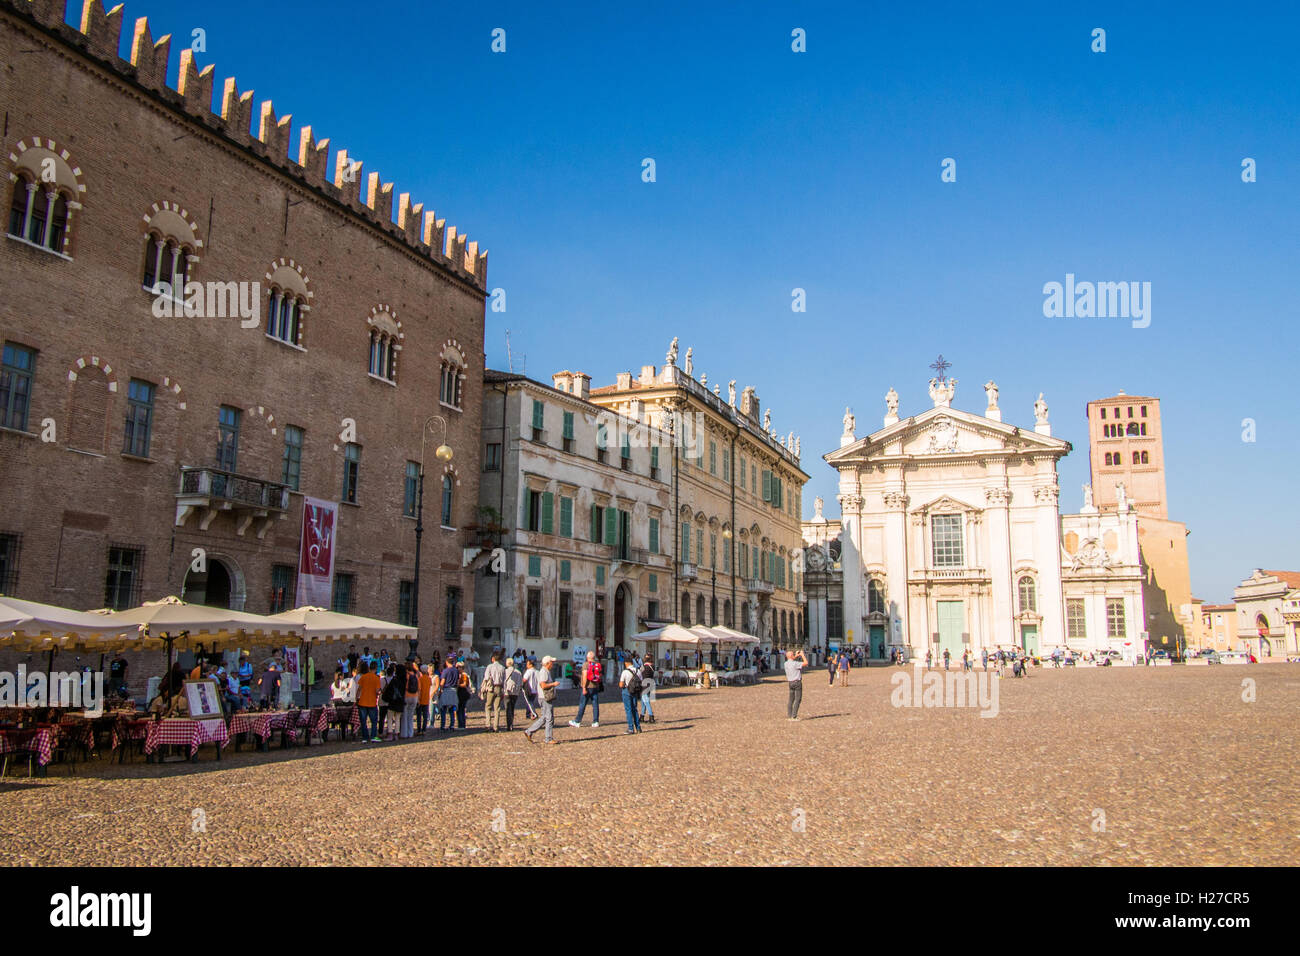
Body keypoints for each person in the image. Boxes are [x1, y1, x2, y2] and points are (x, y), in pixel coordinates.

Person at [523, 655, 558, 744]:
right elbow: (543, 685)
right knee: (549, 718)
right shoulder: (543, 672)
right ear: (547, 664)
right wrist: (553, 684)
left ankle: (529, 731)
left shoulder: (546, 671)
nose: (552, 664)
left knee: (544, 718)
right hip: (545, 697)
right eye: (551, 663)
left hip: (544, 697)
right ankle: (548, 738)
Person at [569, 651, 603, 729]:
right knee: (595, 704)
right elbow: (600, 676)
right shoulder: (598, 665)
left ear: (588, 658)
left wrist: (584, 687)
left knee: (582, 704)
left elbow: (584, 676)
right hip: (595, 687)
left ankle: (577, 721)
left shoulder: (586, 665)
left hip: (587, 687)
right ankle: (596, 721)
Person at [354, 661, 381, 742]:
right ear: (376, 668)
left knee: (363, 721)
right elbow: (377, 691)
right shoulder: (376, 678)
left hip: (363, 701)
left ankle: (365, 737)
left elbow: (359, 689)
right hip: (372, 702)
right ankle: (373, 736)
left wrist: (356, 698)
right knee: (374, 721)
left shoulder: (364, 677)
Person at [480, 652, 506, 732]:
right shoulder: (502, 667)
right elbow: (504, 680)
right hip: (499, 687)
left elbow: (486, 677)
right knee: (497, 708)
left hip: (491, 688)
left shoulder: (490, 667)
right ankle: (496, 726)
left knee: (488, 706)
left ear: (493, 659)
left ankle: (488, 725)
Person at [619, 655, 643, 734]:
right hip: (635, 691)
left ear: (626, 663)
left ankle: (630, 728)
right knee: (634, 709)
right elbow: (641, 681)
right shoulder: (638, 671)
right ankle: (638, 727)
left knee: (628, 710)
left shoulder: (625, 672)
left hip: (626, 691)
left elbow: (621, 684)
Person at [437, 658, 459, 731]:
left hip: (446, 690)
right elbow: (458, 682)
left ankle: (443, 726)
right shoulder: (456, 670)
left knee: (443, 709)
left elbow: (442, 682)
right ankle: (452, 725)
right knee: (452, 709)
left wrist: (440, 690)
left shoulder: (445, 671)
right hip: (454, 690)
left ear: (447, 662)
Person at [784, 649, 807, 720]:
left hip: (790, 682)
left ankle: (789, 715)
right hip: (797, 682)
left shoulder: (786, 663)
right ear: (791, 656)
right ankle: (794, 716)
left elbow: (791, 658)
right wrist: (802, 655)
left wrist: (796, 655)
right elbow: (806, 663)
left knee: (791, 699)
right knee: (798, 699)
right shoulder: (795, 663)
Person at [503, 658, 523, 731]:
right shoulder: (518, 672)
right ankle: (511, 723)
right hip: (515, 692)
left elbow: (503, 681)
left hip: (507, 692)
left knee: (507, 708)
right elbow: (521, 683)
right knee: (512, 708)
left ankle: (509, 725)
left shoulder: (505, 672)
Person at [416, 664, 433, 735]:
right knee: (425, 716)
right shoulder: (429, 679)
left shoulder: (420, 679)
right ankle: (424, 729)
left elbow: (419, 689)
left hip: (420, 699)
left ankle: (419, 730)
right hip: (426, 698)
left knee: (419, 716)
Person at [639, 654, 656, 723]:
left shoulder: (644, 666)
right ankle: (642, 716)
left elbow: (639, 673)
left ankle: (651, 716)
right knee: (644, 701)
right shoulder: (652, 666)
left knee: (646, 701)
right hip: (651, 683)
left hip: (645, 684)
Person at [455, 661, 471, 729]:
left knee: (461, 709)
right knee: (459, 709)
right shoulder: (458, 674)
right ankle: (461, 724)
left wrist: (457, 685)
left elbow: (464, 684)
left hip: (463, 693)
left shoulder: (464, 675)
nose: (457, 669)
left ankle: (461, 724)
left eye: (458, 667)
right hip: (459, 692)